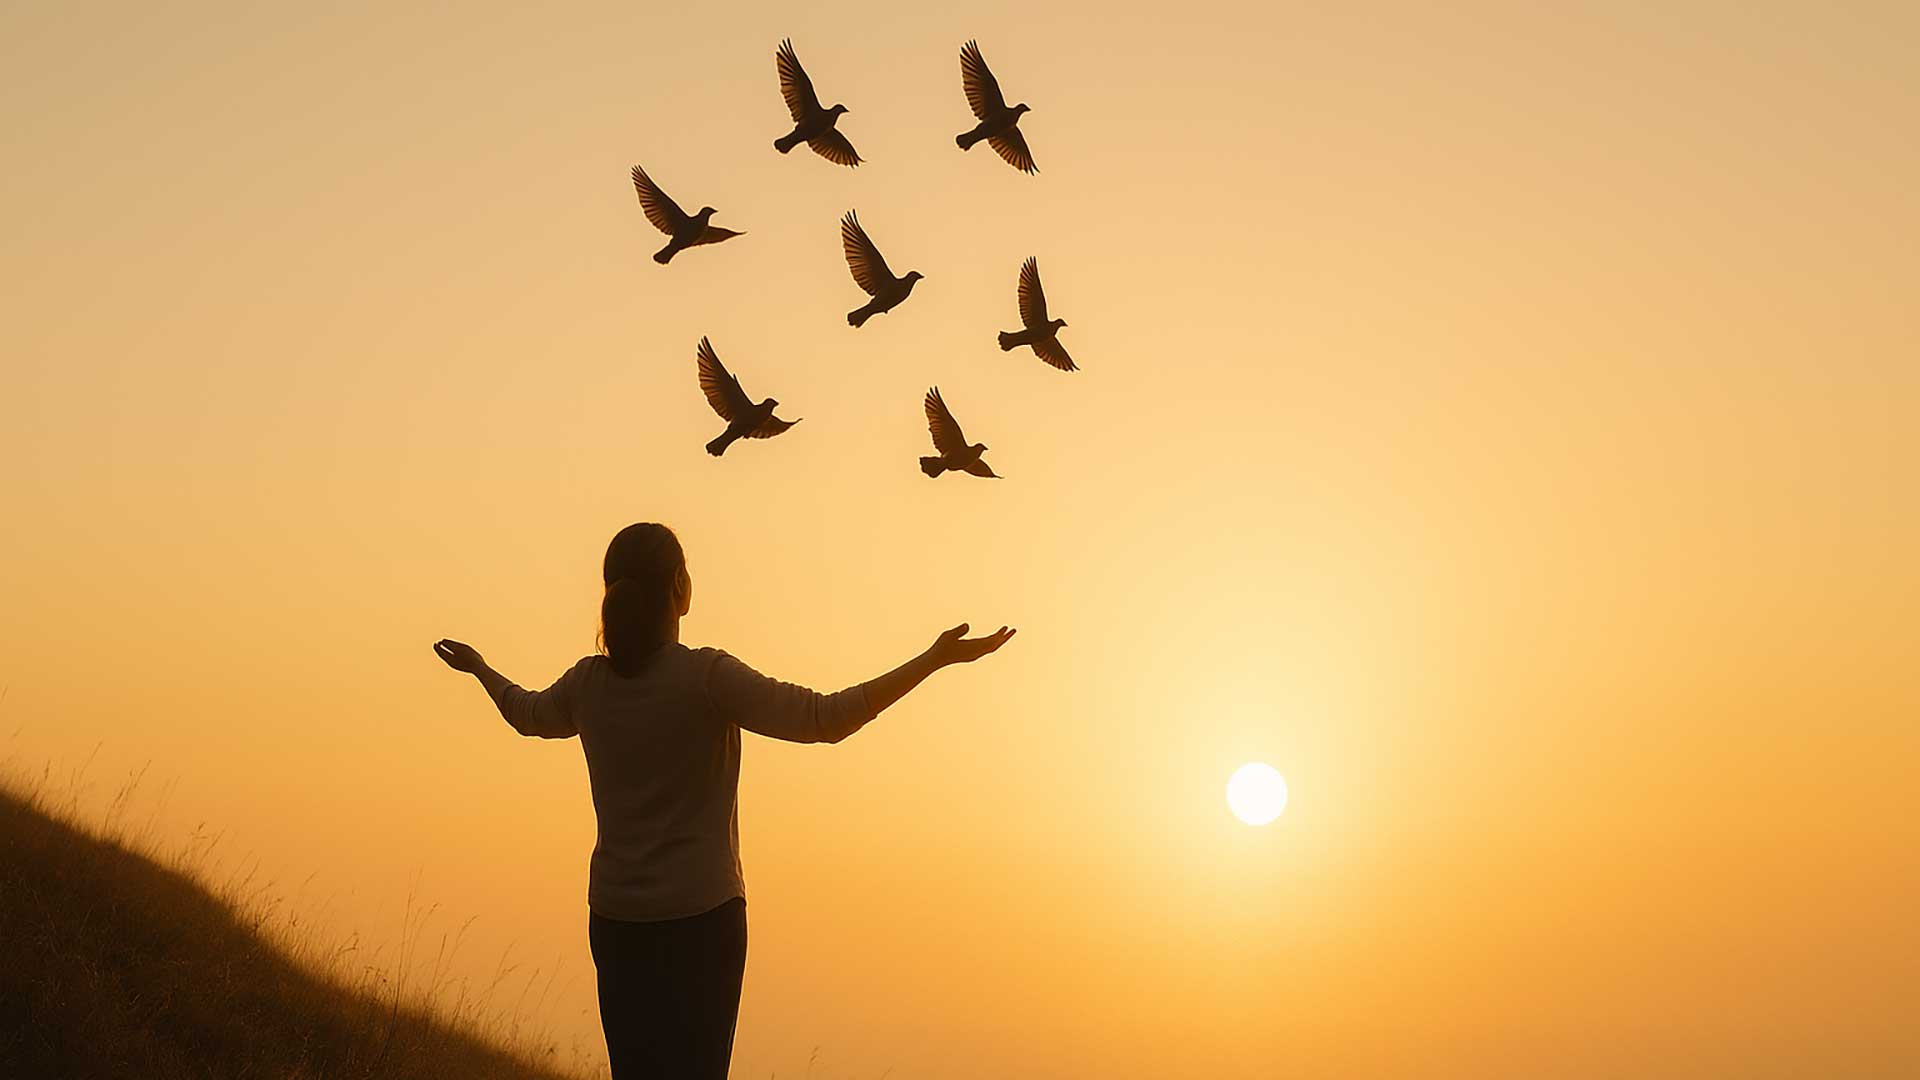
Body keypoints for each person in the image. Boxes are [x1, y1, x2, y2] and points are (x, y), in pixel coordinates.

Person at [432, 522, 1014, 1078]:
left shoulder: (588, 684)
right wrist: (932, 660)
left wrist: (481, 669)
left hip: (616, 922)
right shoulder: (706, 678)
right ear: (681, 591)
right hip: (702, 926)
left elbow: (526, 714)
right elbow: (826, 718)